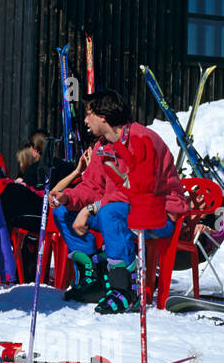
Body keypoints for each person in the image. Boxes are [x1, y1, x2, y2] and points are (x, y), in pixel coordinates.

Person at [49, 89, 188, 313]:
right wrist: (68, 197)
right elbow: (92, 187)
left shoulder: (143, 139)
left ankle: (124, 290)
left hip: (159, 215)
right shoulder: (103, 147)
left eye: (88, 113)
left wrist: (93, 208)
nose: (85, 120)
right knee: (63, 211)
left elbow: (138, 189)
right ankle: (93, 277)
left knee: (109, 212)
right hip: (122, 212)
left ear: (103, 116)